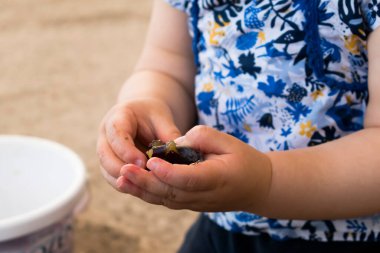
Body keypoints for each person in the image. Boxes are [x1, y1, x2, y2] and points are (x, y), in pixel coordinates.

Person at [97, 0, 380, 252]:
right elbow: (167, 66)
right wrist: (147, 104)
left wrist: (265, 182)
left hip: (350, 232)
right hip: (226, 224)